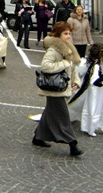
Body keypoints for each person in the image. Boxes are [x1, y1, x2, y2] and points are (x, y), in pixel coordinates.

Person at [32, 22, 83, 157]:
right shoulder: (53, 50)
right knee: (63, 116)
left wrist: (76, 81)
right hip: (54, 89)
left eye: (69, 33)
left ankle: (38, 137)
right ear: (58, 35)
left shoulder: (67, 49)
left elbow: (73, 68)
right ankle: (73, 144)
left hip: (61, 87)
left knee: (50, 112)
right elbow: (45, 66)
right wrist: (64, 63)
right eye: (66, 33)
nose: (69, 36)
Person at [70, 43, 103, 137]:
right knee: (93, 108)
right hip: (94, 91)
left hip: (101, 91)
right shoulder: (95, 65)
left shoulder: (98, 63)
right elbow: (94, 81)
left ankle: (101, 124)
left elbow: (102, 74)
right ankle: (90, 127)